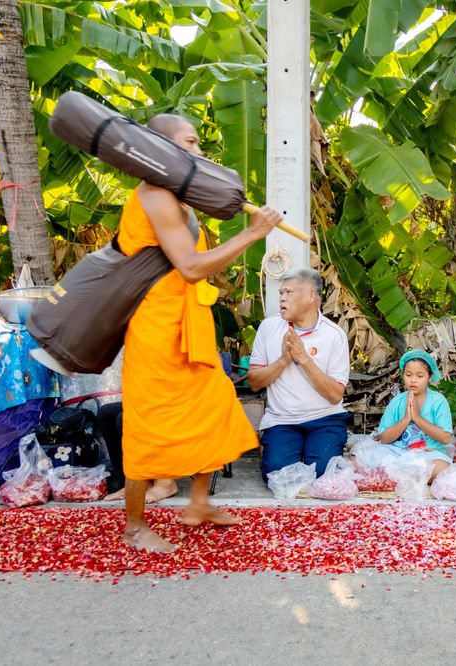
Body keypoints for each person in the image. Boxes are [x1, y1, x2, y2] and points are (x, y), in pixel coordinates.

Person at [119, 114, 282, 553]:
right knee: (149, 428)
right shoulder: (153, 195)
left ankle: (197, 503)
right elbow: (190, 268)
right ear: (163, 148)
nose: (198, 150)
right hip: (155, 332)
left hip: (187, 326)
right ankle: (135, 524)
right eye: (189, 142)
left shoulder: (180, 197)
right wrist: (252, 235)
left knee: (214, 405)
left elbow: (195, 265)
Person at [248, 268, 351, 481]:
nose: (282, 299)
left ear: (311, 295)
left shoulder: (334, 335)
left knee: (325, 475)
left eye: (289, 293)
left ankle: (314, 451)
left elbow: (335, 395)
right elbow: (254, 383)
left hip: (325, 419)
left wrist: (304, 359)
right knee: (278, 476)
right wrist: (284, 361)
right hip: (282, 420)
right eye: (281, 294)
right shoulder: (269, 328)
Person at [374, 350, 453, 481]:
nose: (413, 380)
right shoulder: (397, 401)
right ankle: (410, 477)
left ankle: (397, 477)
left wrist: (417, 418)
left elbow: (445, 438)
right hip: (398, 453)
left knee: (443, 471)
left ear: (430, 376)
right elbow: (384, 439)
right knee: (360, 460)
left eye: (420, 376)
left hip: (429, 454)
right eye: (408, 375)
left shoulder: (438, 401)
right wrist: (406, 419)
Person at [98, 401, 177, 503]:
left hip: (176, 402)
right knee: (106, 413)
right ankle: (133, 481)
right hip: (149, 399)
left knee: (126, 419)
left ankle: (165, 483)